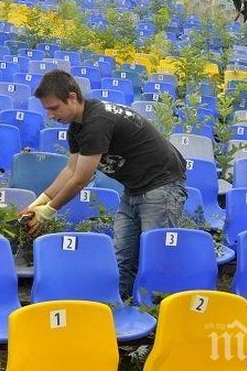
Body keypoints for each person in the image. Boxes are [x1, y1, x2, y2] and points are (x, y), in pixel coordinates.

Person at [20, 70, 187, 298]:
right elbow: (70, 170)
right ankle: (120, 308)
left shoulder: (97, 122)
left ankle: (158, 313)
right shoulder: (77, 127)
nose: (49, 115)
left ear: (72, 97)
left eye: (54, 108)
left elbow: (80, 179)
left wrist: (48, 211)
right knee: (123, 255)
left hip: (162, 185)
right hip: (135, 188)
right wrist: (39, 201)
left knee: (155, 256)